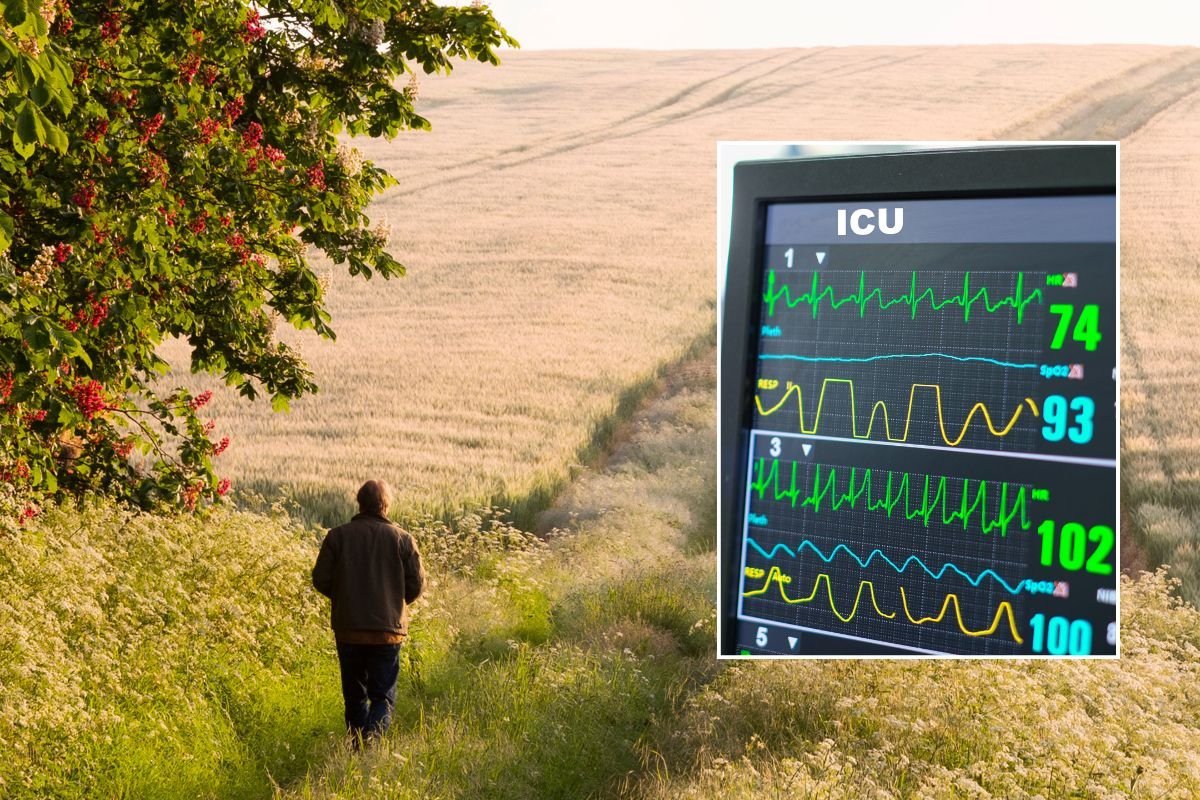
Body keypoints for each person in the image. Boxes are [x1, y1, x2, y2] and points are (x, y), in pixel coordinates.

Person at [312, 479, 425, 746]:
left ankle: (357, 745)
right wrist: (393, 603)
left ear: (359, 503)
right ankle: (372, 741)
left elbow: (320, 579)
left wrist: (346, 599)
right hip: (388, 633)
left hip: (349, 630)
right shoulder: (403, 539)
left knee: (354, 695)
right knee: (382, 697)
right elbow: (417, 585)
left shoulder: (337, 537)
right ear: (385, 505)